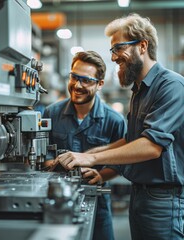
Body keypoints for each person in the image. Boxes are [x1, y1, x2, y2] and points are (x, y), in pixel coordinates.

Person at [54, 13, 184, 240]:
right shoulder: (139, 91)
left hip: (164, 201)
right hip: (141, 195)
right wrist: (96, 152)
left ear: (142, 46)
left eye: (118, 49)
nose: (113, 58)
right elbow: (134, 139)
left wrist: (91, 159)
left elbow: (151, 145)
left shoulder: (171, 86)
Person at [43, 51, 127, 240]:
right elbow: (43, 156)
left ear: (100, 84)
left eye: (86, 80)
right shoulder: (51, 113)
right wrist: (52, 164)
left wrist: (100, 175)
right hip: (57, 200)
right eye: (74, 77)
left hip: (97, 202)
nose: (77, 85)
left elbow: (120, 163)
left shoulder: (114, 121)